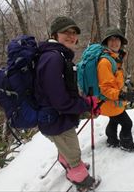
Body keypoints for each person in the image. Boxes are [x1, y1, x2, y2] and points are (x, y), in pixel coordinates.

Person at [34, 16, 100, 190]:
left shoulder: (57, 55)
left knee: (65, 145)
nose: (72, 36)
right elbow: (60, 100)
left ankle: (67, 162)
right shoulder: (53, 58)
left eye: (74, 33)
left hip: (54, 117)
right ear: (55, 35)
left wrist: (85, 101)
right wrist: (85, 105)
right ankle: (81, 178)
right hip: (56, 118)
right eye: (66, 32)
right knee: (72, 149)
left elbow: (64, 91)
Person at [97, 27, 134, 152]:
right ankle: (126, 144)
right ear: (106, 43)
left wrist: (126, 83)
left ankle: (111, 140)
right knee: (127, 123)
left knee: (114, 119)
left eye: (117, 39)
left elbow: (115, 79)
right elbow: (105, 88)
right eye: (111, 40)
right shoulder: (105, 62)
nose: (115, 42)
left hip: (111, 101)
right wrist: (123, 95)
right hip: (109, 100)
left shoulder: (115, 58)